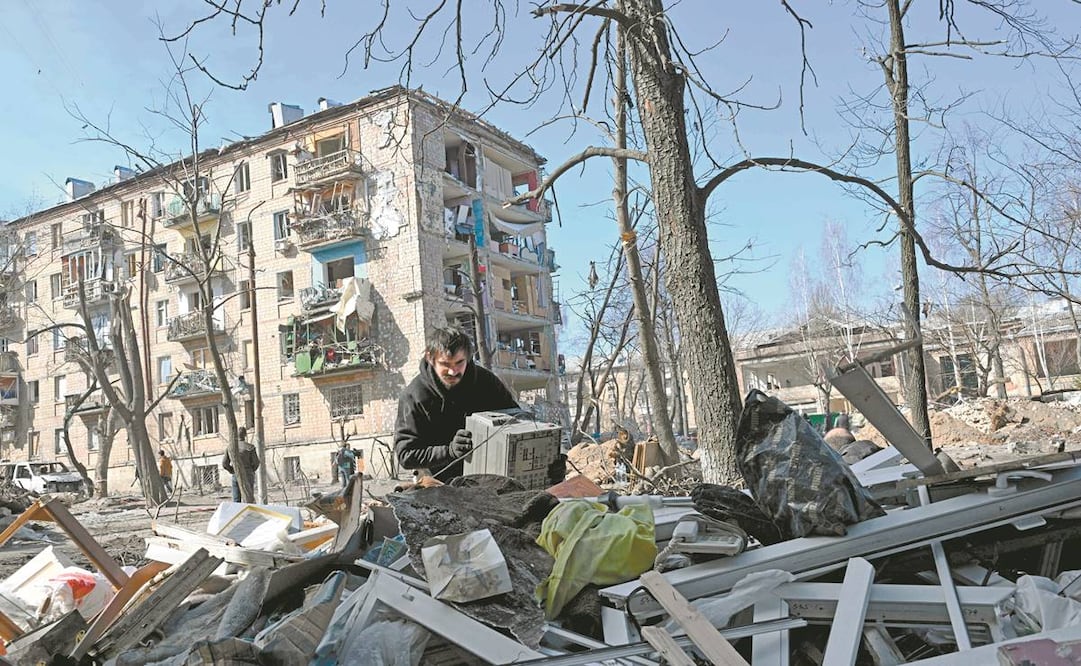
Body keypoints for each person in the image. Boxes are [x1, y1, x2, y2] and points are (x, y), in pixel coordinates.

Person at [394, 326, 518, 481]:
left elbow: (518, 422)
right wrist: (449, 452)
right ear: (430, 358)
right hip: (440, 486)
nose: (453, 371)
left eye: (459, 363)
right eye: (445, 364)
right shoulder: (414, 396)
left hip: (492, 479)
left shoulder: (487, 383)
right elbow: (406, 455)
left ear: (468, 357)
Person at [222, 427, 260, 502]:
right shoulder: (250, 447)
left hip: (236, 474)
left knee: (236, 500)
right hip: (248, 474)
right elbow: (256, 463)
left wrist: (232, 470)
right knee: (248, 498)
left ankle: (237, 513)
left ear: (236, 435)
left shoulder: (230, 447)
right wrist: (251, 470)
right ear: (245, 435)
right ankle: (248, 513)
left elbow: (224, 463)